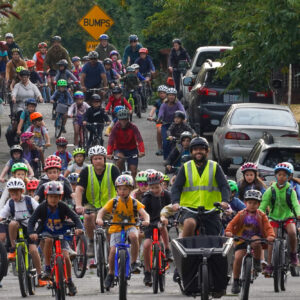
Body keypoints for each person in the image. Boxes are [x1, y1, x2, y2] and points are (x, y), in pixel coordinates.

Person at [28, 181, 84, 295]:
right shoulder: (42, 207)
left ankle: (69, 281)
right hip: (46, 232)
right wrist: (31, 232)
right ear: (46, 196)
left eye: (56, 197)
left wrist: (79, 227)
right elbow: (31, 221)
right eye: (51, 196)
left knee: (66, 256)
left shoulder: (63, 206)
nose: (53, 199)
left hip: (61, 233)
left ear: (60, 197)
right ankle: (48, 268)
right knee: (48, 240)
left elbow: (75, 217)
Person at [96, 174, 150, 288]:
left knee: (134, 237)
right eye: (120, 189)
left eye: (125, 189)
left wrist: (146, 220)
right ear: (117, 190)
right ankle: (110, 274)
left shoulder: (134, 202)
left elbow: (145, 214)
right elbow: (102, 211)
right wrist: (99, 219)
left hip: (131, 225)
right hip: (116, 227)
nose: (122, 191)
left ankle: (134, 262)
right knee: (112, 251)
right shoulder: (113, 202)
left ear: (130, 189)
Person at [171, 137, 230, 236]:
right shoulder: (186, 167)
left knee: (214, 239)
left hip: (211, 210)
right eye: (195, 149)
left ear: (207, 151)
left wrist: (225, 201)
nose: (198, 152)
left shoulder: (215, 166)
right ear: (191, 152)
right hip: (189, 209)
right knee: (189, 223)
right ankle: (184, 247)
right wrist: (175, 203)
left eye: (201, 149)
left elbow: (224, 186)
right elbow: (176, 187)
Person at [225, 189, 275, 294]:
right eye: (249, 203)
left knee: (256, 241)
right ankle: (235, 281)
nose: (252, 205)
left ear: (259, 204)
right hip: (241, 238)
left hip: (255, 237)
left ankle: (257, 262)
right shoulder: (241, 214)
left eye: (255, 203)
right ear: (245, 203)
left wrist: (271, 235)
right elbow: (231, 224)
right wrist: (229, 231)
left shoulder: (261, 215)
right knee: (238, 257)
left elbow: (268, 227)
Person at [0, 178, 48, 287]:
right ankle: (13, 249)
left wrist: (41, 219)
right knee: (12, 223)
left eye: (16, 193)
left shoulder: (29, 200)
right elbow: (2, 214)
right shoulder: (10, 203)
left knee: (33, 250)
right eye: (12, 194)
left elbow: (39, 210)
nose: (14, 197)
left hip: (31, 229)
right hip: (18, 229)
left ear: (22, 191)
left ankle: (40, 276)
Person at [75, 145, 120, 258]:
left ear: (104, 158)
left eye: (100, 158)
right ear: (91, 160)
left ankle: (111, 249)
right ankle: (90, 241)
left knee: (110, 227)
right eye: (95, 158)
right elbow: (79, 189)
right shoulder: (86, 171)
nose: (98, 161)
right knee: (88, 217)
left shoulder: (113, 169)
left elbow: (120, 187)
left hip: (110, 203)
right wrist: (79, 205)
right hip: (91, 203)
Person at [260, 163, 300, 275]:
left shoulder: (290, 190)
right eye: (279, 174)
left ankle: (293, 255)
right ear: (276, 176)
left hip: (288, 216)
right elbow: (263, 204)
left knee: (292, 232)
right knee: (271, 239)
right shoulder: (270, 190)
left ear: (289, 177)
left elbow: (296, 204)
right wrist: (260, 214)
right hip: (274, 217)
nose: (281, 177)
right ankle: (269, 265)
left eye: (284, 175)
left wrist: (298, 214)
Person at [142, 171, 173, 285]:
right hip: (150, 224)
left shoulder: (168, 195)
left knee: (161, 226)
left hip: (163, 222)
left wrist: (170, 219)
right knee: (146, 245)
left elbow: (173, 209)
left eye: (157, 187)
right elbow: (142, 211)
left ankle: (167, 249)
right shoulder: (147, 196)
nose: (154, 190)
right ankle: (147, 272)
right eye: (152, 187)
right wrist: (144, 221)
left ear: (162, 185)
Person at [107, 108, 145, 179]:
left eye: (125, 119)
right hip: (119, 149)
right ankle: (118, 178)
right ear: (119, 119)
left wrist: (142, 151)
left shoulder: (133, 127)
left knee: (133, 170)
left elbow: (139, 140)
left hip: (132, 149)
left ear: (128, 119)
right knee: (120, 160)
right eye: (121, 119)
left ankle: (134, 187)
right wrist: (109, 153)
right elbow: (111, 141)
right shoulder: (115, 128)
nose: (123, 122)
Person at [157, 88, 185, 160]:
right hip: (165, 126)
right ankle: (166, 159)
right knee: (166, 142)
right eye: (169, 95)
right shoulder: (164, 105)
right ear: (167, 96)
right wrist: (159, 118)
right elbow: (161, 113)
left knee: (179, 142)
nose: (171, 97)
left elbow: (182, 111)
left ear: (175, 96)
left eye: (173, 95)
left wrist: (184, 118)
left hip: (176, 126)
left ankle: (179, 157)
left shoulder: (178, 103)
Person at [148, 85, 168, 156]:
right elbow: (153, 109)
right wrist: (150, 116)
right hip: (159, 120)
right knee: (159, 130)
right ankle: (160, 148)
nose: (162, 94)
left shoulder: (170, 101)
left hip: (169, 120)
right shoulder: (157, 102)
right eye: (160, 93)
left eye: (163, 93)